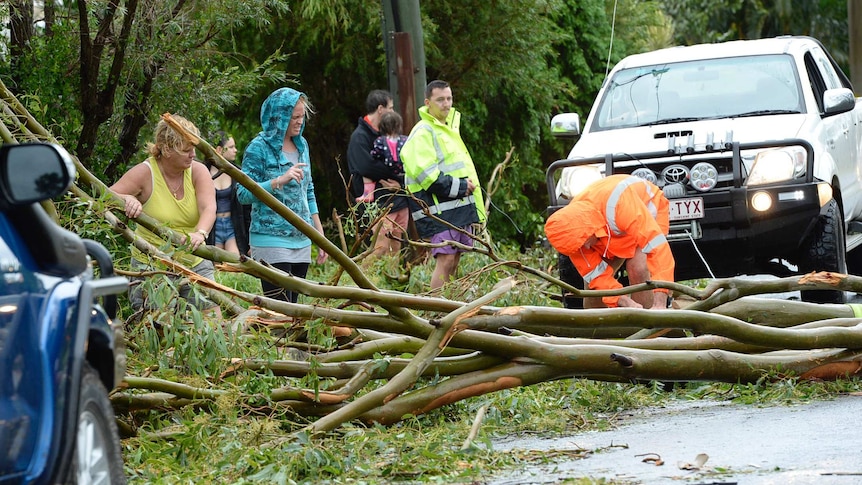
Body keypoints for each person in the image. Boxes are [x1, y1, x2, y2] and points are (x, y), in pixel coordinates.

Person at [110, 115, 217, 312]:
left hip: (194, 261)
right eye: (186, 150)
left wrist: (200, 233)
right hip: (151, 265)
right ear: (166, 149)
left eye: (194, 148)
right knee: (159, 326)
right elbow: (108, 195)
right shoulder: (145, 172)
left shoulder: (198, 171)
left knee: (212, 321)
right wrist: (128, 199)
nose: (193, 154)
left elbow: (209, 208)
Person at [236, 87, 328, 303]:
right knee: (280, 307)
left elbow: (309, 190)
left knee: (295, 308)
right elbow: (242, 194)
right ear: (279, 117)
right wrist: (278, 181)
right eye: (294, 117)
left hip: (302, 239)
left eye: (302, 116)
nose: (299, 121)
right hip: (271, 240)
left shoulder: (302, 144)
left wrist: (319, 234)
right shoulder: (258, 148)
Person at [400, 80, 486, 290]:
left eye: (449, 98)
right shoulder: (423, 132)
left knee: (454, 261)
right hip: (438, 209)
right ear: (428, 102)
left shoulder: (447, 129)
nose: (446, 104)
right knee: (445, 261)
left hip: (456, 207)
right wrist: (461, 186)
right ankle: (436, 313)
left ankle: (448, 308)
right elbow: (427, 176)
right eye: (440, 99)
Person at [544, 174, 675, 309]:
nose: (586, 247)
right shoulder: (572, 236)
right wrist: (625, 302)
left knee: (638, 268)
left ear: (589, 228)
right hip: (613, 230)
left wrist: (660, 301)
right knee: (593, 287)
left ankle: (649, 322)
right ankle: (598, 327)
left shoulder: (620, 205)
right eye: (580, 245)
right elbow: (599, 279)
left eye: (584, 241)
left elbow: (658, 250)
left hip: (645, 211)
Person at [346, 89, 410, 257]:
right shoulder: (359, 137)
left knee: (395, 249)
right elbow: (367, 166)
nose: (393, 112)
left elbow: (406, 162)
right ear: (380, 109)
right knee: (379, 249)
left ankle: (391, 282)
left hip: (398, 200)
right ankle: (367, 282)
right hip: (376, 204)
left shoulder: (390, 134)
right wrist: (396, 173)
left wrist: (401, 183)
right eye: (391, 107)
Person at [205, 131, 249, 257]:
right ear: (219, 149)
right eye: (231, 147)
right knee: (214, 264)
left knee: (234, 262)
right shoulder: (203, 172)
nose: (235, 150)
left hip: (232, 224)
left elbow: (247, 208)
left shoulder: (238, 172)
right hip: (213, 226)